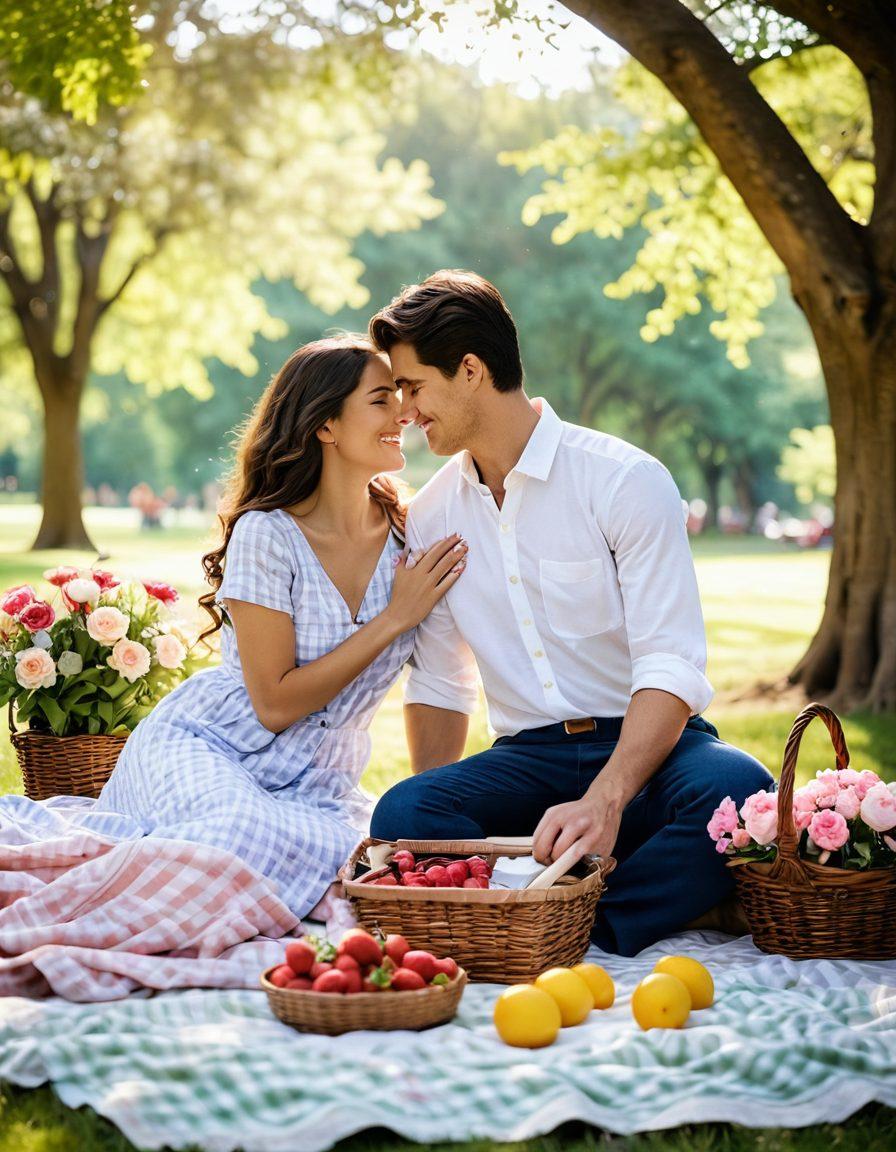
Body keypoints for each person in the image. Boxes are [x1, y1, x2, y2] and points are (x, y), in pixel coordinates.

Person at [366, 270, 774, 957]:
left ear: (470, 370)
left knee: (738, 792)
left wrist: (608, 797)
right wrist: (429, 842)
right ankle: (629, 890)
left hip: (652, 746)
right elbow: (441, 681)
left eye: (413, 386)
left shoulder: (623, 479)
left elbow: (670, 664)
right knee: (404, 812)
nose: (403, 410)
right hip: (530, 760)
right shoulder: (434, 514)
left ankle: (575, 918)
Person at [96, 336, 467, 920]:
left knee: (368, 867)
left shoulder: (412, 540)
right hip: (213, 748)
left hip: (319, 789)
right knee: (234, 836)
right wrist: (394, 617)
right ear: (326, 426)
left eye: (400, 395)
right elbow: (273, 704)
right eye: (379, 400)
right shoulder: (267, 535)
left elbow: (445, 684)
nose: (403, 412)